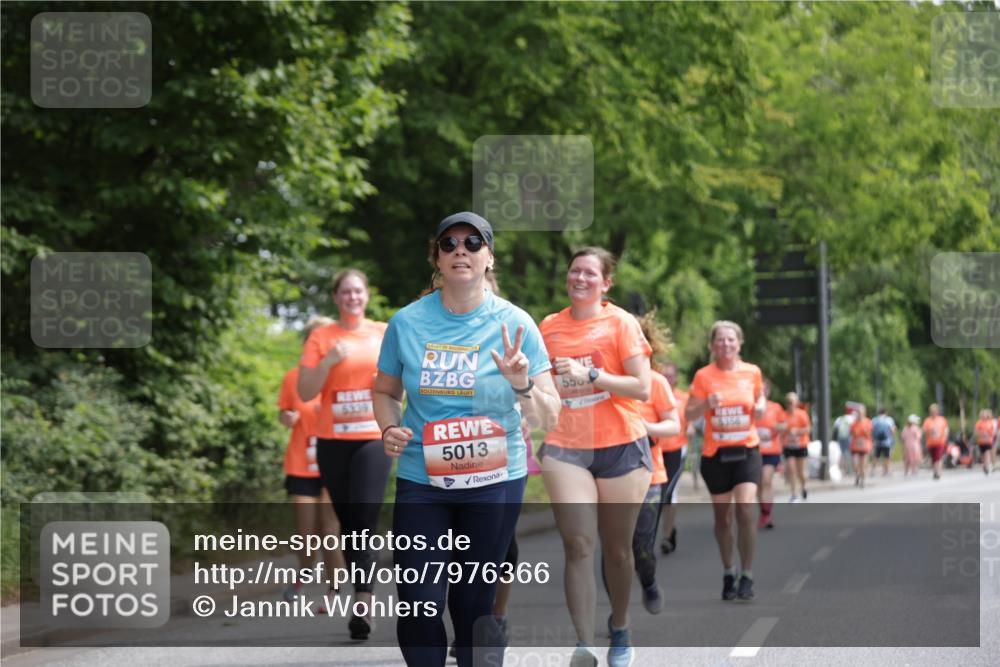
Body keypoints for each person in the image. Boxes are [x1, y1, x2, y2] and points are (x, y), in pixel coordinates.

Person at [373, 212, 561, 667]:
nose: (461, 249)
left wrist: (522, 383)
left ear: (489, 258)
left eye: (473, 242)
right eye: (450, 242)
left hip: (496, 478)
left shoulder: (516, 324)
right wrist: (388, 427)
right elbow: (384, 391)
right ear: (437, 257)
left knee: (474, 601)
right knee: (418, 598)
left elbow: (549, 414)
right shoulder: (407, 322)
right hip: (423, 478)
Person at [539, 247, 653, 667]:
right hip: (566, 445)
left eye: (590, 273)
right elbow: (539, 389)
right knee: (578, 544)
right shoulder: (548, 327)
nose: (580, 278)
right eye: (574, 271)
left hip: (620, 443)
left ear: (606, 283)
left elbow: (641, 388)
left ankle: (619, 627)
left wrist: (590, 374)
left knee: (618, 550)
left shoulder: (620, 322)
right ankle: (584, 644)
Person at [298, 269, 389, 640]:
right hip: (333, 440)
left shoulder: (383, 333)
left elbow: (402, 378)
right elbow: (305, 391)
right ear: (336, 298)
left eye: (358, 291)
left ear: (366, 296)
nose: (352, 297)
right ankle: (360, 593)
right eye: (345, 292)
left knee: (365, 514)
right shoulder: (322, 337)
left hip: (372, 437)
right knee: (350, 523)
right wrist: (326, 363)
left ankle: (363, 605)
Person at [601, 313, 679, 617]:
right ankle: (616, 612)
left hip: (650, 475)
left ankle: (648, 580)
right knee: (612, 547)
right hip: (609, 474)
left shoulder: (656, 383)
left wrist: (644, 427)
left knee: (641, 547)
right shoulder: (600, 381)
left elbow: (673, 426)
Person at [685, 321, 765, 603]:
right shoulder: (704, 376)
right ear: (712, 345)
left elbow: (760, 399)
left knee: (744, 509)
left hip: (746, 450)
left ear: (739, 343)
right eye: (720, 340)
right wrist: (706, 405)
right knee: (723, 518)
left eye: (731, 340)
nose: (726, 345)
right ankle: (728, 571)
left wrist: (761, 406)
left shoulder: (752, 372)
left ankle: (748, 575)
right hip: (715, 455)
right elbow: (688, 414)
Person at [277, 316, 346, 604]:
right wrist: (287, 418)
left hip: (334, 461)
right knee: (306, 532)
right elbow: (283, 412)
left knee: (330, 529)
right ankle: (303, 576)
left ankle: (335, 590)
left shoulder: (344, 374)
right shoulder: (294, 378)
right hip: (302, 464)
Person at [658, 362, 692, 555]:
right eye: (664, 376)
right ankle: (668, 531)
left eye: (670, 376)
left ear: (676, 378)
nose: (667, 379)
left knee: (669, 492)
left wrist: (693, 426)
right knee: (655, 494)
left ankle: (665, 536)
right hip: (655, 450)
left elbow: (692, 417)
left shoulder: (683, 398)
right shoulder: (651, 393)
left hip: (677, 448)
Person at [756, 380, 786, 529]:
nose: (763, 391)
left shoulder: (776, 407)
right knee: (759, 485)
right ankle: (764, 512)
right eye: (761, 389)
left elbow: (783, 425)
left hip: (771, 450)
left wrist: (775, 428)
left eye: (765, 389)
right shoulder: (752, 408)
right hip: (754, 450)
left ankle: (767, 513)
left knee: (766, 479)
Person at [782, 392, 811, 502]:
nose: (790, 405)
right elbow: (779, 428)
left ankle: (803, 486)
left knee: (800, 472)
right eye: (788, 402)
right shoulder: (783, 415)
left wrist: (797, 431)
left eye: (792, 402)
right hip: (789, 446)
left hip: (801, 445)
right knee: (791, 470)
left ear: (796, 403)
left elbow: (808, 429)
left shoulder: (802, 414)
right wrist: (782, 429)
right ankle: (794, 494)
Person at [923, 403, 949, 481]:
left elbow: (946, 429)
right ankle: (935, 471)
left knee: (938, 457)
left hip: (940, 442)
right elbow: (924, 429)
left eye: (935, 411)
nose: (933, 412)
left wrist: (945, 436)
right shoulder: (927, 420)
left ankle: (938, 472)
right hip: (930, 443)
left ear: (937, 411)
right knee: (933, 459)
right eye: (932, 411)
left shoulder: (942, 419)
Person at [850, 405, 873, 488]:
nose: (859, 413)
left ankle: (862, 481)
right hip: (855, 445)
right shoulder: (854, 423)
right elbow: (851, 433)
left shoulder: (868, 422)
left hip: (865, 445)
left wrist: (865, 434)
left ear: (864, 412)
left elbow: (870, 434)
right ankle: (857, 475)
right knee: (855, 464)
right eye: (858, 412)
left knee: (863, 465)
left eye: (861, 412)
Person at [870, 408, 897, 477]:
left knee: (876, 456)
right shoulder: (889, 419)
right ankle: (886, 471)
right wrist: (892, 437)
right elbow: (893, 430)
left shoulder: (874, 420)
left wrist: (872, 439)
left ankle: (873, 471)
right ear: (885, 412)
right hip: (887, 442)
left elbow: (871, 430)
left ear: (878, 413)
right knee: (887, 457)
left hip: (877, 442)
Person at [833, 407, 857, 477]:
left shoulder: (840, 418)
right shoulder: (852, 418)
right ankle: (851, 470)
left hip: (840, 437)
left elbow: (835, 428)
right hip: (849, 437)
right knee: (851, 454)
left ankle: (841, 469)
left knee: (841, 453)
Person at [974, 409, 997, 476]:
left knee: (987, 453)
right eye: (983, 414)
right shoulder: (979, 423)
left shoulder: (990, 422)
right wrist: (981, 433)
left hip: (988, 441)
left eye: (986, 414)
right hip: (981, 441)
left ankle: (987, 466)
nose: (984, 415)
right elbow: (976, 432)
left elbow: (993, 431)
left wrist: (990, 435)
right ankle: (984, 465)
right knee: (982, 455)